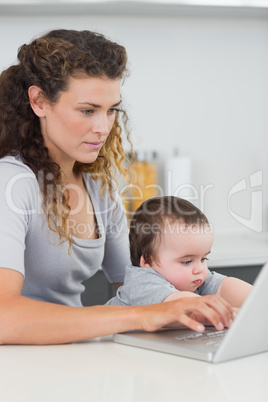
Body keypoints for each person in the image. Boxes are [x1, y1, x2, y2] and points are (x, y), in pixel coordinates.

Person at [0, 29, 235, 345]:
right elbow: (5, 318)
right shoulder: (11, 183)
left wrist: (224, 297)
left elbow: (141, 283)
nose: (103, 128)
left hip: (73, 357)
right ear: (39, 101)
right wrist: (142, 316)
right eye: (88, 110)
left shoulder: (97, 189)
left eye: (111, 110)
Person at [107, 196, 252, 310]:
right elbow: (186, 307)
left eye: (203, 258)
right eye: (187, 261)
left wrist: (257, 301)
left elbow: (225, 287)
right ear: (148, 262)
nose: (200, 269)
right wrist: (239, 314)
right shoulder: (142, 284)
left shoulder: (192, 278)